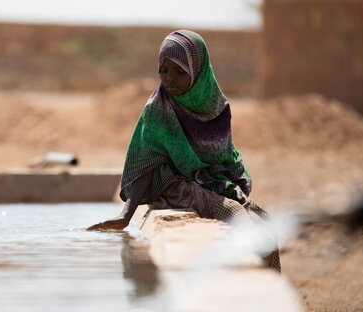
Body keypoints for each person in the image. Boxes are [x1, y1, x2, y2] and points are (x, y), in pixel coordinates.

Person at [86, 30, 280, 272]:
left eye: (180, 71)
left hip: (213, 183)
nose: (170, 78)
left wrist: (227, 185)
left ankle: (268, 290)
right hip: (177, 187)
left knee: (265, 224)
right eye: (163, 70)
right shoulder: (158, 108)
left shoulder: (217, 107)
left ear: (199, 71)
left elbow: (223, 155)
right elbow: (146, 163)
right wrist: (126, 215)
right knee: (237, 216)